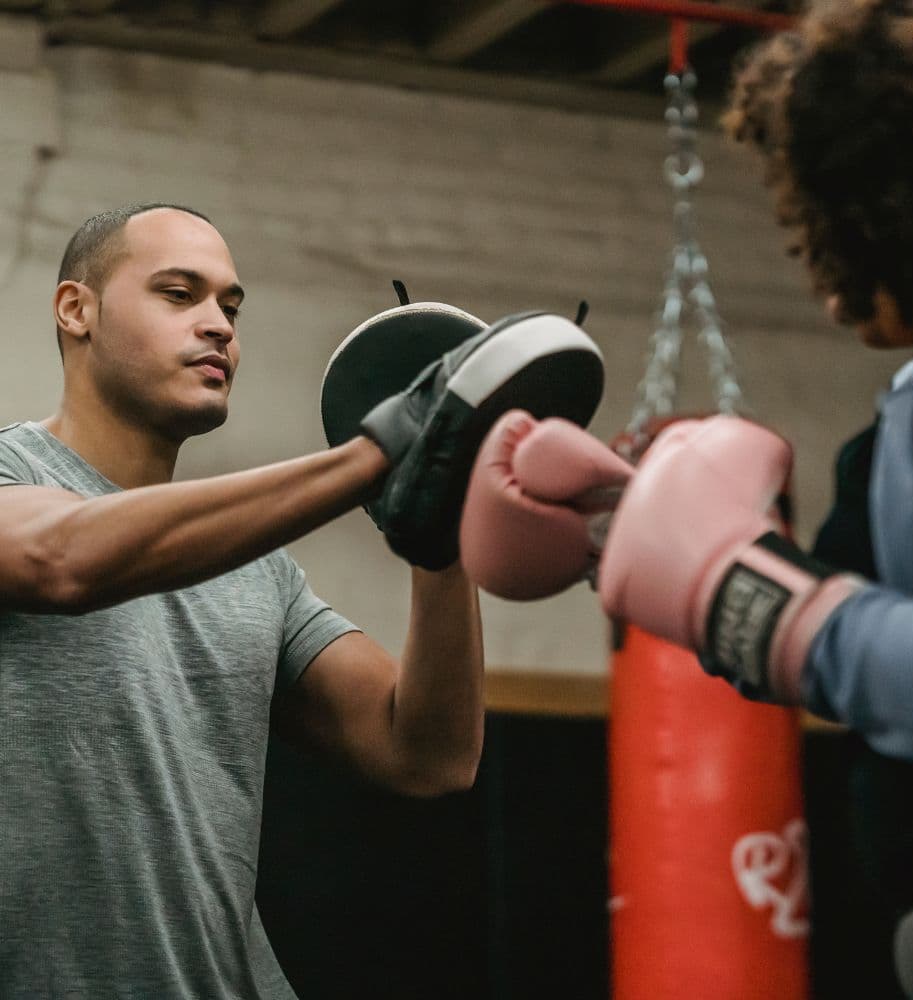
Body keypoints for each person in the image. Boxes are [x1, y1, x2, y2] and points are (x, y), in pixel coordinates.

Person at [459, 1, 913, 995]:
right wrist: (633, 534)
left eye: (807, 216)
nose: (806, 256)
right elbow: (861, 622)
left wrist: (723, 585)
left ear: (874, 197)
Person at [0, 202, 598, 997]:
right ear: (77, 310)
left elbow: (428, 754)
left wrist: (441, 533)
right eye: (180, 295)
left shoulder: (258, 574)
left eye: (231, 306)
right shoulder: (13, 481)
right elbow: (62, 558)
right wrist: (386, 447)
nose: (218, 324)